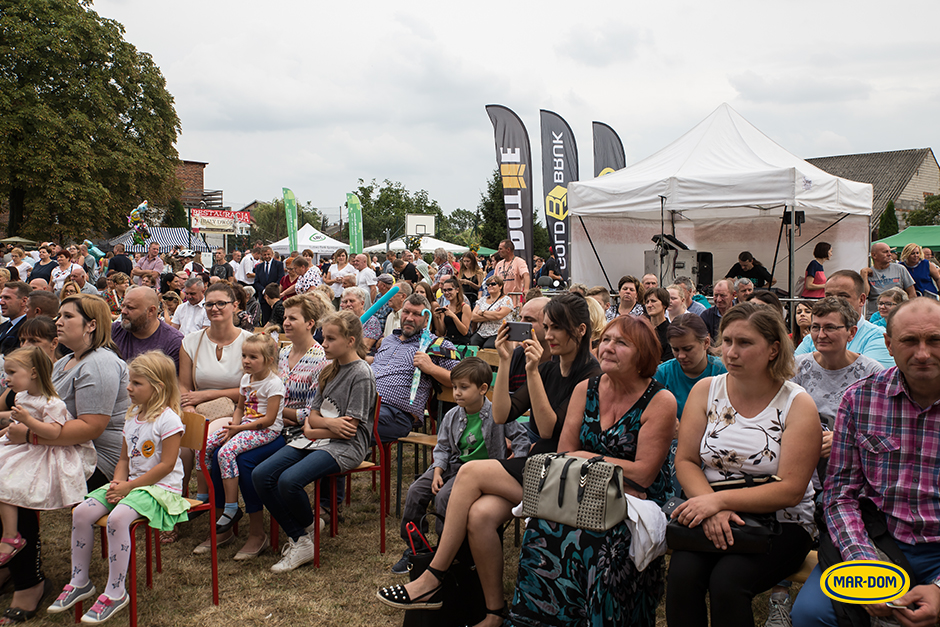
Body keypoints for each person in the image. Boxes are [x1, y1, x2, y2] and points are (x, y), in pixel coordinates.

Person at [376, 292, 599, 621]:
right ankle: (494, 611)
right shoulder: (552, 369)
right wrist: (507, 360)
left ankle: (433, 576)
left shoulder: (589, 375)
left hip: (566, 474)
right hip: (537, 467)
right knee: (480, 516)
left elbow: (551, 429)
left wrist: (534, 372)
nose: (547, 336)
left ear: (580, 330)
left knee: (470, 473)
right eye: (545, 327)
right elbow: (502, 415)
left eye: (555, 329)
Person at [508, 315, 678, 627]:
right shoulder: (586, 388)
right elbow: (564, 453)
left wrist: (586, 456)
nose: (608, 348)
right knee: (542, 528)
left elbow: (643, 475)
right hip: (580, 491)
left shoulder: (660, 400)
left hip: (633, 503)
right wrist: (597, 461)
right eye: (606, 340)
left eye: (621, 343)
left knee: (599, 540)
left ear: (643, 355)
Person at [665, 302, 821, 627]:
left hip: (782, 522)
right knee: (682, 577)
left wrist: (717, 502)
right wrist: (713, 509)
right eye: (728, 341)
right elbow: (687, 460)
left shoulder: (797, 404)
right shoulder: (706, 390)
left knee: (727, 583)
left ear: (773, 349)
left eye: (745, 343)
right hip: (711, 509)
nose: (731, 352)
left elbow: (790, 489)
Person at [790, 297, 940, 627]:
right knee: (809, 615)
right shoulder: (860, 399)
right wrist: (863, 564)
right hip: (878, 537)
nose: (923, 353)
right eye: (909, 341)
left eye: (935, 340)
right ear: (888, 343)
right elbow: (840, 495)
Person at [764, 296, 884, 626]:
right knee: (783, 510)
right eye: (815, 327)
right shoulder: (798, 368)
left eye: (830, 327)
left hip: (851, 473)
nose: (821, 333)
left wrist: (844, 441)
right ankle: (779, 597)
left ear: (851, 331)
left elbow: (883, 430)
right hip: (800, 465)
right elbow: (776, 417)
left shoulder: (872, 373)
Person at [48, 351, 190, 624]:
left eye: (137, 383)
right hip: (132, 485)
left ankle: (115, 591)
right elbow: (124, 459)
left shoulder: (169, 420)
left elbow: (167, 465)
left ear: (158, 386)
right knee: (82, 512)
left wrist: (128, 487)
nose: (129, 387)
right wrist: (117, 482)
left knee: (118, 517)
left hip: (160, 488)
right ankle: (80, 581)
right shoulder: (132, 416)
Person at [253, 310, 377, 573]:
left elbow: (349, 431)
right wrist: (323, 425)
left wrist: (314, 428)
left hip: (346, 448)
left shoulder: (361, 374)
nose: (324, 344)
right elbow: (313, 414)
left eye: (331, 339)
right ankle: (304, 532)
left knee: (289, 481)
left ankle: (301, 537)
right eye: (323, 337)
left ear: (351, 341)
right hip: (314, 439)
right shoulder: (328, 370)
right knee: (261, 474)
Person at [392, 357, 528, 574]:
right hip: (452, 465)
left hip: (478, 472)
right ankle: (416, 549)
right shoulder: (452, 415)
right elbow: (443, 448)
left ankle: (447, 551)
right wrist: (437, 471)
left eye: (463, 387)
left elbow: (521, 438)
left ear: (483, 388)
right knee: (416, 490)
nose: (456, 393)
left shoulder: (498, 412)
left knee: (445, 496)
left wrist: (513, 463)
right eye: (454, 387)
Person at [0, 348, 94, 563]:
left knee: (6, 479)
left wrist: (27, 421)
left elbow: (54, 432)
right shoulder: (22, 396)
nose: (7, 379)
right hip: (23, 444)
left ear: (33, 373)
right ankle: (9, 533)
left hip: (45, 450)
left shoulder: (52, 403)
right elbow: (16, 425)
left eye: (12, 372)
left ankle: (11, 535)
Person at [199, 334, 284, 537]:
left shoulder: (273, 384)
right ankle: (202, 496)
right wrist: (233, 426)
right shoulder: (246, 379)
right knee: (206, 445)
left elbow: (269, 420)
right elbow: (239, 407)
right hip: (245, 426)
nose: (246, 361)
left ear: (269, 360)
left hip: (265, 431)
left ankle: (231, 507)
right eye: (244, 355)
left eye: (253, 357)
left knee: (225, 453)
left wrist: (239, 430)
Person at [371, 294, 459, 441]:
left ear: (426, 321)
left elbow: (461, 379)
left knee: (349, 427)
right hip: (365, 404)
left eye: (417, 314)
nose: (409, 318)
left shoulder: (436, 345)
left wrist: (431, 368)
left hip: (396, 414)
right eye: (406, 312)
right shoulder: (388, 340)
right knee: (331, 420)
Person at [794, 270, 894, 369]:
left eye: (842, 296)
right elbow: (789, 373)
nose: (834, 302)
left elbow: (871, 379)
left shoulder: (878, 337)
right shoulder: (811, 339)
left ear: (861, 300)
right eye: (828, 296)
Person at [654, 313, 727, 421]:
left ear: (706, 343)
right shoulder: (662, 374)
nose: (681, 356)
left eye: (688, 349)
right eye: (676, 349)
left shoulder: (723, 371)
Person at [112, 286, 184, 370]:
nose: (123, 311)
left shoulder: (173, 342)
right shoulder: (113, 331)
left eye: (130, 308)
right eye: (123, 306)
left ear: (151, 311)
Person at [861, 242, 916, 316]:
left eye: (890, 251)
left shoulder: (900, 269)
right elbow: (864, 294)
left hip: (897, 314)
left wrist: (907, 311)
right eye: (885, 252)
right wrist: (864, 274)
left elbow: (912, 293)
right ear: (874, 255)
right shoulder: (868, 273)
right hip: (875, 315)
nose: (890, 254)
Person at [469, 275, 513, 348]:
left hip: (498, 332)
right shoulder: (482, 300)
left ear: (500, 286)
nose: (490, 286)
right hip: (481, 332)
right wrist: (492, 316)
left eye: (493, 284)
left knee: (488, 347)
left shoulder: (506, 300)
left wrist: (482, 312)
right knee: (471, 345)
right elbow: (473, 317)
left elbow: (498, 316)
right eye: (488, 284)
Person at [340, 287, 383, 353]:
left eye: (352, 301)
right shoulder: (342, 320)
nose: (348, 304)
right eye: (345, 302)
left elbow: (363, 348)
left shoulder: (371, 321)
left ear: (362, 304)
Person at [432, 277, 472, 346]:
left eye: (450, 290)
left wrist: (453, 316)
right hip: (449, 342)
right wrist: (437, 318)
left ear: (457, 290)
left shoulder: (465, 307)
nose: (447, 293)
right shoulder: (446, 308)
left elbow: (464, 331)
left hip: (462, 343)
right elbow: (442, 332)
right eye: (444, 290)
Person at [252, 246, 284, 325]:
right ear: (261, 255)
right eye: (264, 255)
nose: (267, 256)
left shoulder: (279, 265)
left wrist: (272, 291)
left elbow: (281, 278)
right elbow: (256, 282)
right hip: (263, 298)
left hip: (275, 297)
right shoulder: (259, 267)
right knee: (265, 319)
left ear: (272, 254)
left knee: (276, 320)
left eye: (268, 254)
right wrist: (264, 291)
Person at [493, 239, 529, 305]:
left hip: (515, 301)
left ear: (508, 250)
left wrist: (526, 289)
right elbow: (494, 279)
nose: (498, 251)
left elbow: (526, 275)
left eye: (501, 249)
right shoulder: (499, 264)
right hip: (500, 300)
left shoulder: (519, 262)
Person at [644, 286, 673, 363]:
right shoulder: (642, 328)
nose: (649, 305)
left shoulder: (671, 331)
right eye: (647, 302)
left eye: (653, 301)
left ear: (664, 304)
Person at [0, 282, 30, 356]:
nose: (1, 302)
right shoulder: (3, 326)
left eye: (7, 298)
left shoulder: (28, 328)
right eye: (1, 298)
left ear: (24, 301)